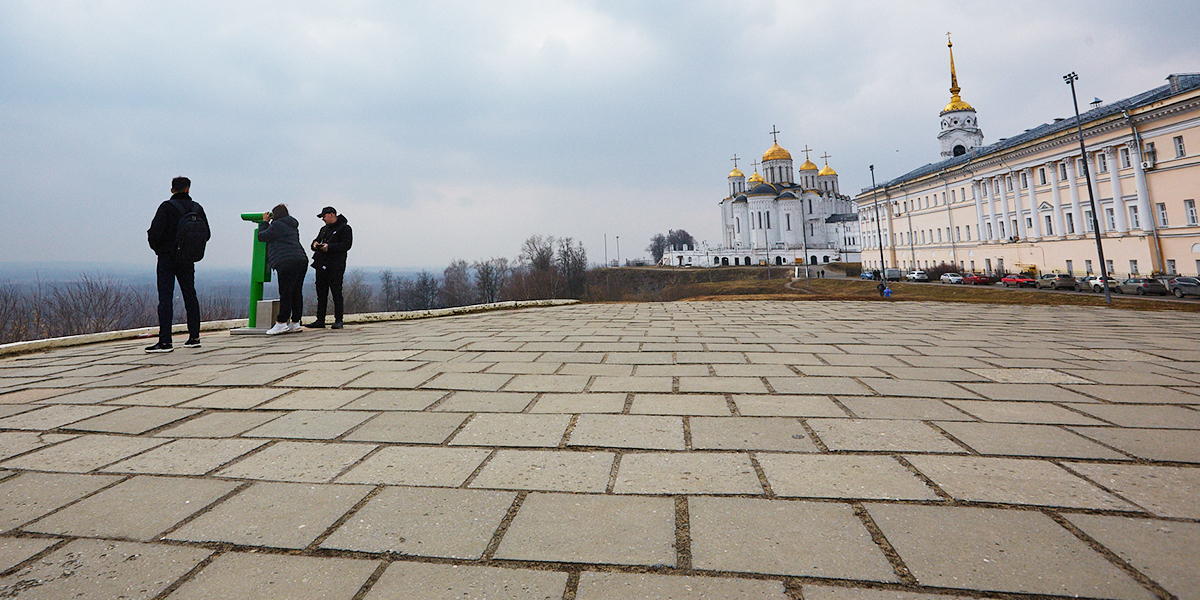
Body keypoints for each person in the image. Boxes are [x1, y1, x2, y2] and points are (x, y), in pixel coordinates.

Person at [145, 176, 206, 353]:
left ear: (172, 190)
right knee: (190, 296)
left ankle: (165, 342)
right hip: (188, 258)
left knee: (165, 299)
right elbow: (206, 233)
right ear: (188, 189)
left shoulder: (166, 207)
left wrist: (160, 250)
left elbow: (154, 233)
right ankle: (194, 337)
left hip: (167, 258)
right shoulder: (197, 208)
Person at [257, 204, 308, 335]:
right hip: (300, 259)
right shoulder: (292, 225)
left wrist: (264, 222)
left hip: (286, 262)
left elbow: (262, 236)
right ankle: (295, 322)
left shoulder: (277, 225)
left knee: (286, 292)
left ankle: (281, 323)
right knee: (296, 292)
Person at [306, 206, 353, 329]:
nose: (322, 219)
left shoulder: (345, 228)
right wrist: (315, 245)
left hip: (335, 265)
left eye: (324, 216)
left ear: (331, 214)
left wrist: (329, 247)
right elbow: (315, 241)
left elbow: (346, 245)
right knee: (321, 293)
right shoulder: (323, 229)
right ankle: (320, 320)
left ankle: (338, 320)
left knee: (336, 292)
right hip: (321, 265)